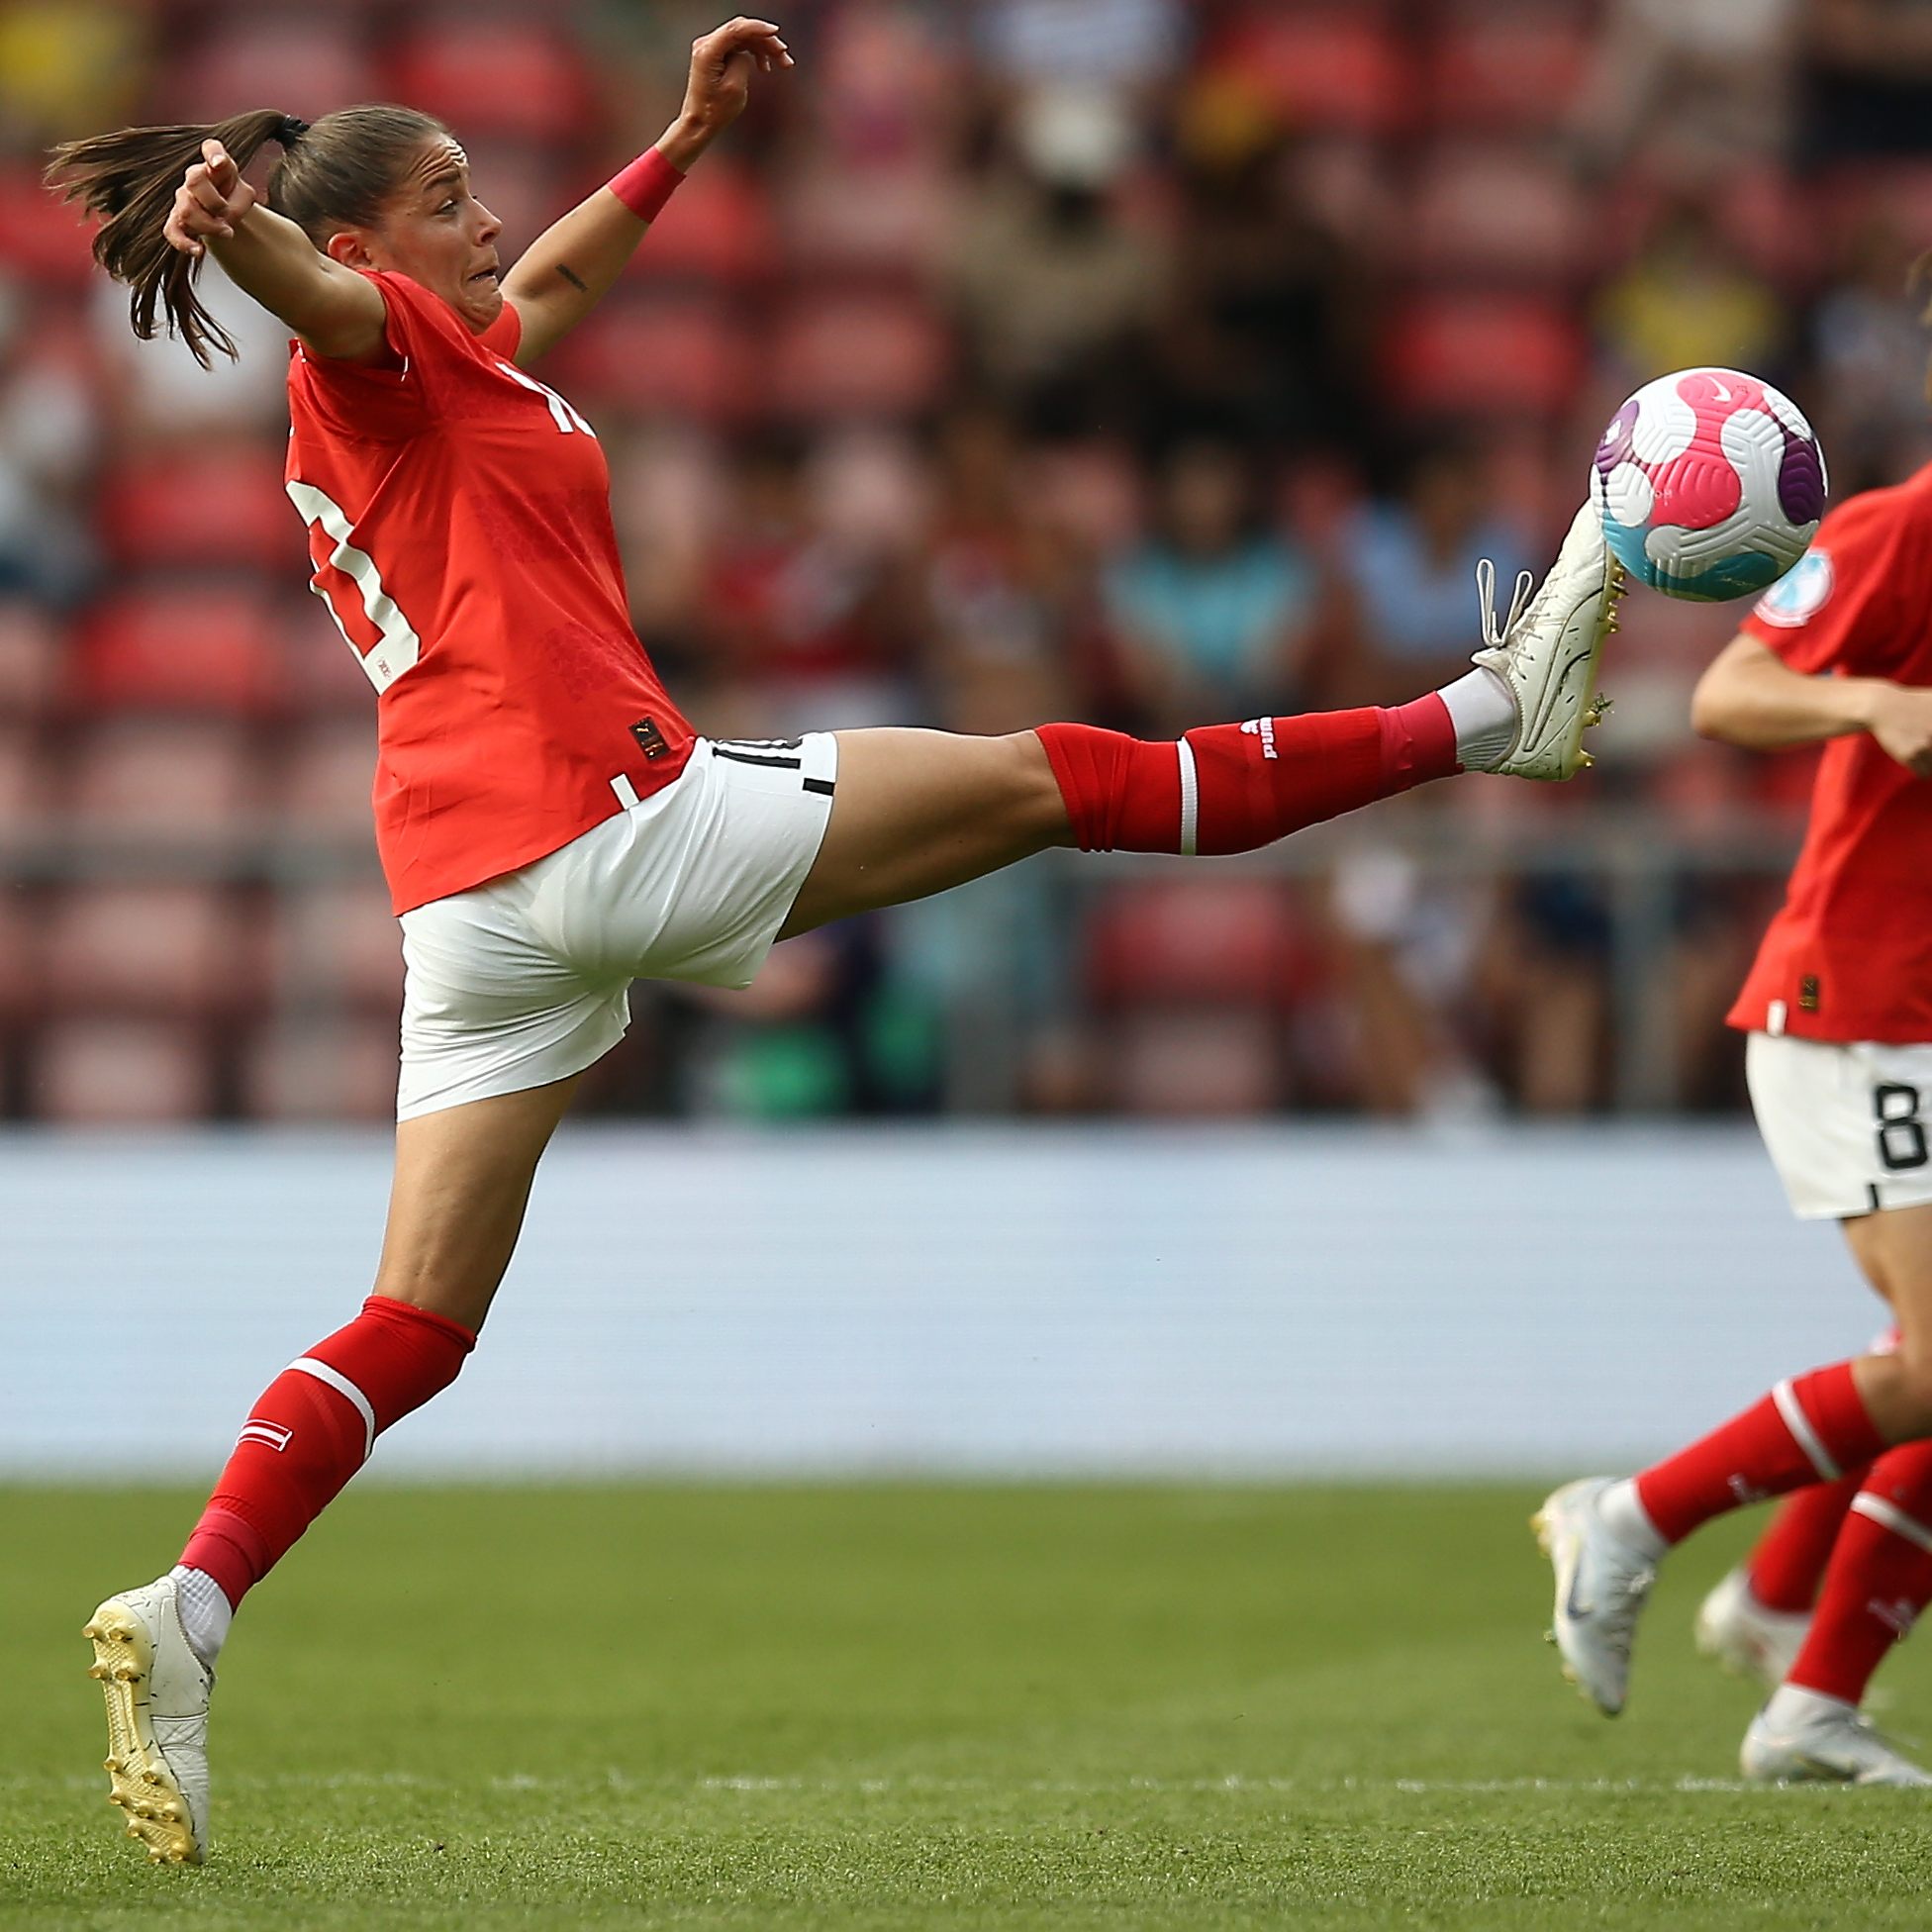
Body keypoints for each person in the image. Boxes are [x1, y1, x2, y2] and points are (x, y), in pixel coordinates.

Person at [48, 17, 1624, 1866]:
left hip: (469, 905)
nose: (493, 222)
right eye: (450, 200)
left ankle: (192, 1605)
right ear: (381, 248)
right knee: (1068, 776)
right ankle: (1489, 718)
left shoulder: (459, 357)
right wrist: (235, 236)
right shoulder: (373, 346)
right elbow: (318, 295)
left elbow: (548, 273)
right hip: (604, 816)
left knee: (412, 1323)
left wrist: (685, 138)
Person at [1536, 470, 1932, 1786]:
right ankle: (1635, 1520)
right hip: (1866, 1007)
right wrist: (1869, 699)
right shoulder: (1898, 533)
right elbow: (1729, 695)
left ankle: (1797, 1659)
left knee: (1926, 1356)